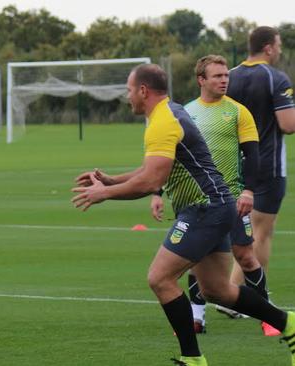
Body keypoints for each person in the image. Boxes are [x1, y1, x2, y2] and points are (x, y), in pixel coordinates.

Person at [72, 63, 295, 366]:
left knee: (160, 278)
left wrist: (104, 194)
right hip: (214, 205)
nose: (128, 97)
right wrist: (112, 180)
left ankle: (192, 358)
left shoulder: (164, 121)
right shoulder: (168, 113)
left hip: (206, 207)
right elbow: (151, 171)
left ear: (143, 90)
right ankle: (289, 323)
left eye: (128, 90)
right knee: (216, 290)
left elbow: (151, 182)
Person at [150, 55, 276, 335]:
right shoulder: (185, 112)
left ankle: (268, 314)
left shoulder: (238, 112)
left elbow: (253, 156)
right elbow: (170, 155)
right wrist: (157, 192)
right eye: (217, 76)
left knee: (245, 256)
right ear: (201, 80)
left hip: (231, 200)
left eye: (225, 76)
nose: (223, 80)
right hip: (196, 203)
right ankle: (197, 318)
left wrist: (248, 190)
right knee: (196, 258)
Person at [226, 26, 295, 302]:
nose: (279, 50)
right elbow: (288, 125)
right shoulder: (275, 78)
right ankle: (248, 299)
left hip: (232, 165)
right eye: (278, 45)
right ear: (268, 47)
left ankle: (232, 293)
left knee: (241, 233)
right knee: (261, 234)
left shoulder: (227, 77)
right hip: (267, 165)